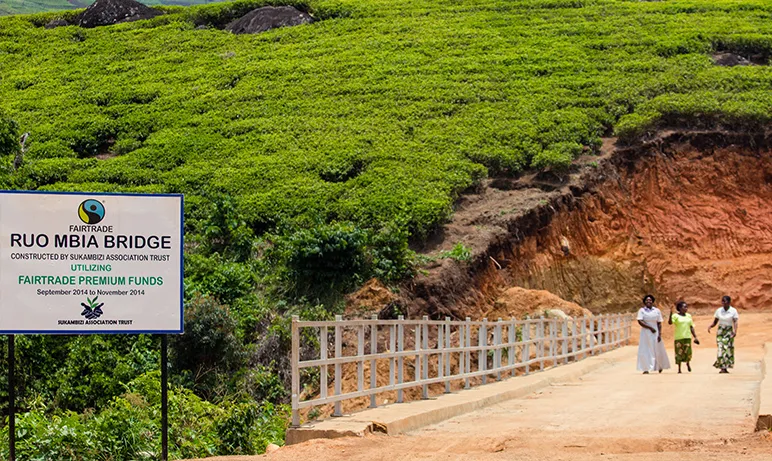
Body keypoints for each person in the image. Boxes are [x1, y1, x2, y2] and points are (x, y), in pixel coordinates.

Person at [636, 294, 670, 374]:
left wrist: (659, 334)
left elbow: (659, 323)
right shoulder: (642, 311)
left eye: (650, 300)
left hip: (655, 332)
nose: (649, 301)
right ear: (644, 302)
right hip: (645, 332)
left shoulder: (657, 311)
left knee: (657, 349)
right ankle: (646, 368)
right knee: (645, 349)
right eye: (647, 300)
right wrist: (650, 328)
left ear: (653, 301)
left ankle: (659, 366)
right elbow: (640, 321)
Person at [707, 295, 739, 373]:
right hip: (721, 331)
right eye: (722, 301)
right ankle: (722, 367)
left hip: (729, 331)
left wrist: (735, 331)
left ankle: (725, 367)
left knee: (727, 348)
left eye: (725, 301)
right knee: (721, 348)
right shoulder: (719, 311)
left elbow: (735, 322)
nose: (723, 303)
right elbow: (716, 321)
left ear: (729, 302)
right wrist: (711, 326)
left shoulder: (733, 311)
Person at [668, 301, 700, 373]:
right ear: (679, 308)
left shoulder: (688, 316)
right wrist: (671, 313)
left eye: (686, 307)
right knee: (679, 353)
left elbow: (691, 327)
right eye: (684, 307)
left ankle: (688, 363)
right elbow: (670, 322)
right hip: (679, 337)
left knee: (687, 352)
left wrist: (695, 337)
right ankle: (679, 368)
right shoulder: (675, 316)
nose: (686, 308)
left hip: (687, 337)